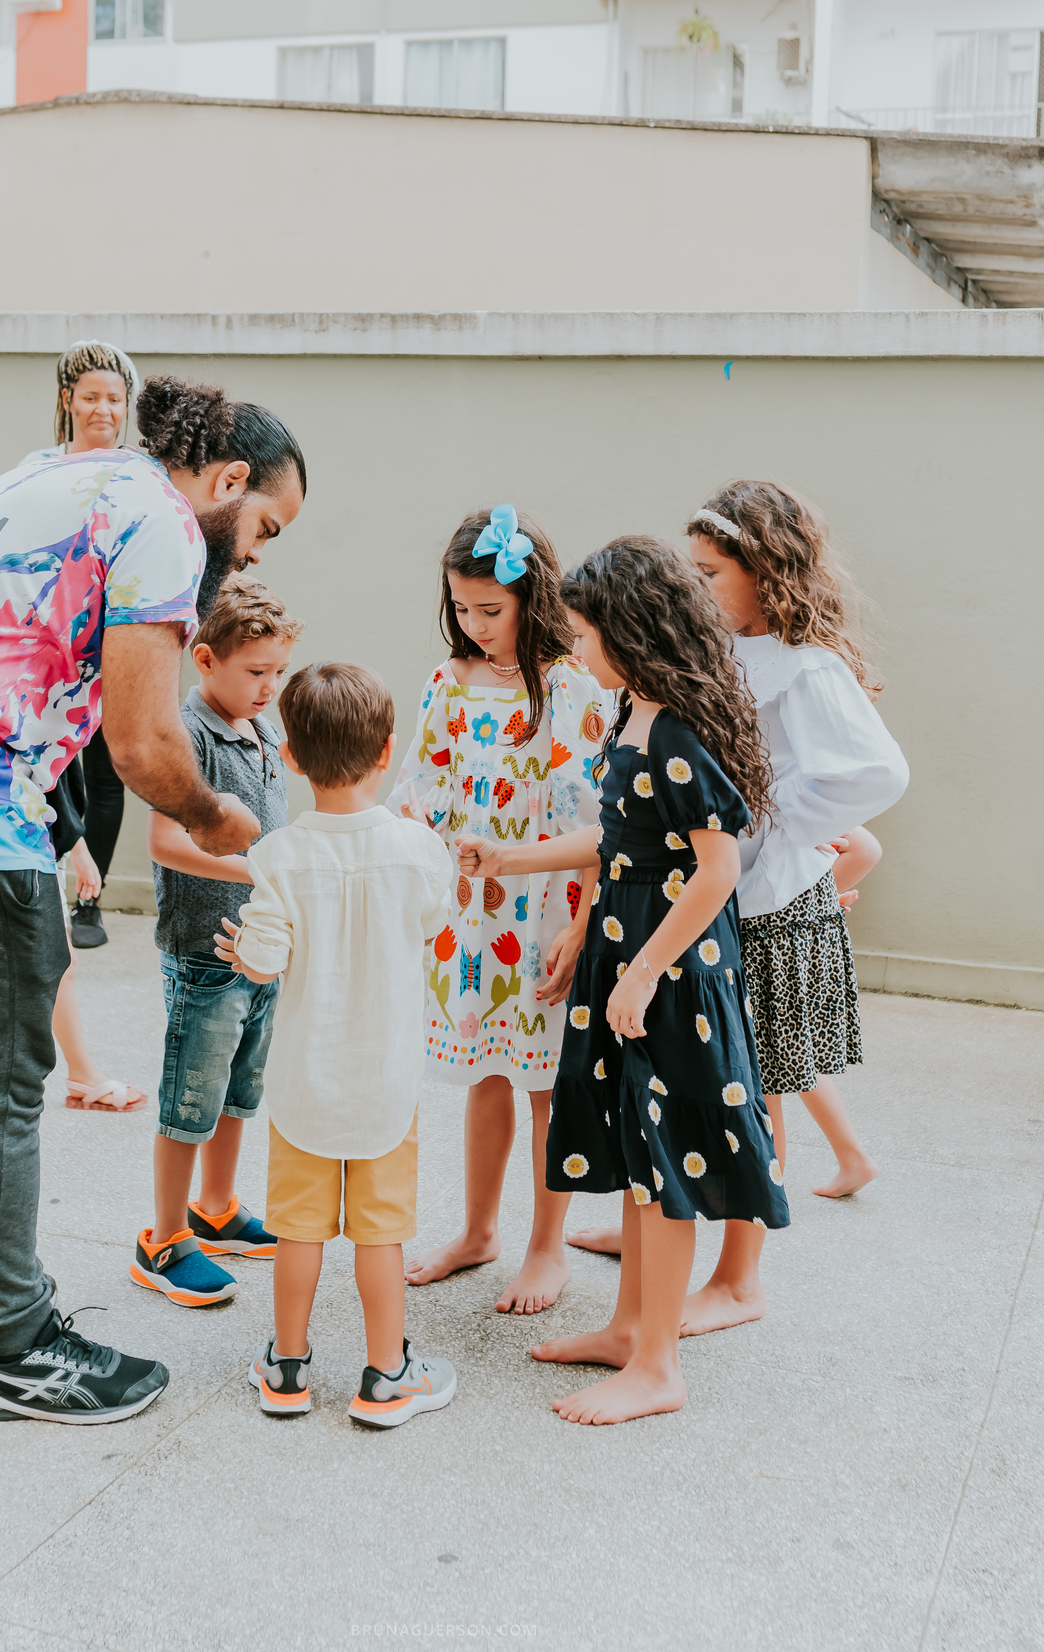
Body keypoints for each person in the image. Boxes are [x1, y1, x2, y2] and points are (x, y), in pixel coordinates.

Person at [0, 373, 305, 1420]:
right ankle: (11, 1346)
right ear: (228, 479)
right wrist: (217, 818)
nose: (254, 554)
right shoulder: (167, 525)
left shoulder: (62, 469)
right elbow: (142, 742)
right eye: (265, 527)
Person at [459, 535, 787, 1424]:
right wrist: (510, 858)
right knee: (643, 1153)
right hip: (628, 946)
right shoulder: (630, 710)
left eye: (583, 634)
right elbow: (618, 838)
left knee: (668, 1159)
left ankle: (657, 1367)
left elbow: (716, 869)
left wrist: (642, 974)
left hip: (669, 967)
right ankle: (629, 1328)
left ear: (632, 630)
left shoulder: (677, 728)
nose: (573, 649)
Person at [667, 482, 908, 1337]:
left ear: (765, 570)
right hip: (724, 896)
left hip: (768, 907)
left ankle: (740, 1276)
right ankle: (666, 1228)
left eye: (710, 572)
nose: (698, 586)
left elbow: (877, 773)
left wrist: (776, 822)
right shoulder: (729, 648)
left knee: (755, 1087)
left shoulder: (806, 667)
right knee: (700, 1076)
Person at [213, 662, 457, 1428]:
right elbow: (434, 924)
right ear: (387, 751)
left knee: (298, 1229)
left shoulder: (278, 855)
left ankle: (287, 1369)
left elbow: (264, 961)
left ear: (290, 756)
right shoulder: (418, 849)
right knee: (381, 1236)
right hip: (385, 1085)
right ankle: (387, 1376)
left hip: (303, 1087)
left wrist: (242, 950)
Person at [384, 506, 611, 1316]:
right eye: (463, 608)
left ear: (531, 596)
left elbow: (599, 817)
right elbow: (419, 785)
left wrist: (582, 924)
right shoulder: (449, 681)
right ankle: (478, 1232)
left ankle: (547, 1245)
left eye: (492, 608)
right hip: (472, 914)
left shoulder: (573, 685)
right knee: (484, 1072)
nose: (477, 626)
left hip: (547, 909)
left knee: (546, 1082)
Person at [131, 576, 305, 1306]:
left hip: (257, 949)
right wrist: (254, 865)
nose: (270, 688)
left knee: (238, 1093)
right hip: (204, 954)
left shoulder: (261, 727)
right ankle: (166, 1238)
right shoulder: (188, 734)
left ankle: (217, 1209)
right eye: (256, 672)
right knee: (190, 1100)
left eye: (279, 672)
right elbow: (165, 843)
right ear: (205, 660)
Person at [23, 338, 143, 948]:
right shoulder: (39, 467)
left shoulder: (138, 473)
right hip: (51, 645)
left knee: (105, 773)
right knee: (50, 761)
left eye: (115, 399)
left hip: (112, 639)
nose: (104, 409)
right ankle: (46, 883)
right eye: (92, 397)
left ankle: (89, 904)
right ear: (69, 399)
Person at [47, 759, 147, 1111]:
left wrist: (77, 845)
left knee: (59, 961)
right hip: (14, 835)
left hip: (38, 831)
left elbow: (50, 773)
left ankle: (81, 1071)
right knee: (56, 960)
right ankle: (80, 1071)